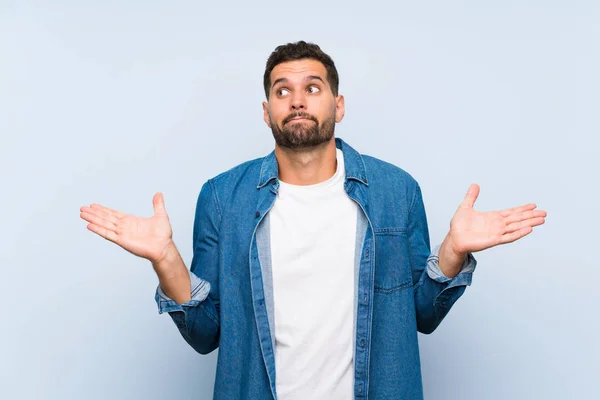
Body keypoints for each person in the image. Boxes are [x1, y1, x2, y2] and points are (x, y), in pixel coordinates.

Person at [79, 41, 546, 400]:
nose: (297, 100)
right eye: (282, 91)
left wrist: (452, 253)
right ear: (267, 113)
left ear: (337, 106)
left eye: (312, 88)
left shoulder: (395, 191)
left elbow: (422, 316)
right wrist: (165, 259)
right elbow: (206, 335)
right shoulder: (223, 197)